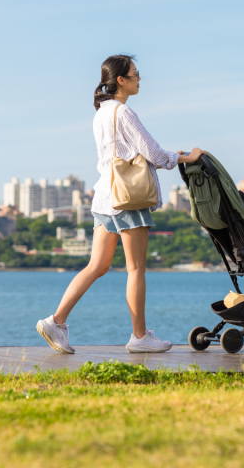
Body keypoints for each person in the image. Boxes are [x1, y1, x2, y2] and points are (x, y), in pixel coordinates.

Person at [36, 54, 204, 354]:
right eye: (135, 74)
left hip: (105, 197)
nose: (140, 78)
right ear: (121, 81)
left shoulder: (101, 113)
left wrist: (169, 155)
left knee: (96, 266)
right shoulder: (124, 113)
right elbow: (152, 152)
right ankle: (139, 336)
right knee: (136, 268)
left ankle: (55, 321)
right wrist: (185, 157)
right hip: (128, 198)